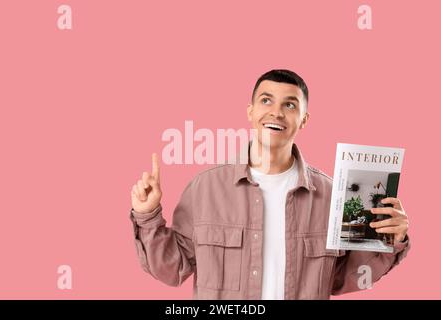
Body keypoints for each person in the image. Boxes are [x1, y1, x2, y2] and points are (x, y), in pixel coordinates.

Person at [129, 69, 410, 299]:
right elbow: (171, 270)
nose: (276, 112)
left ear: (304, 120)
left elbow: (340, 280)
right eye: (266, 101)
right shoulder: (205, 188)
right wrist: (148, 216)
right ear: (250, 112)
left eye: (290, 105)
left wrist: (389, 240)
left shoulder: (333, 196)